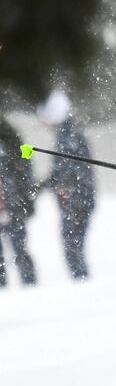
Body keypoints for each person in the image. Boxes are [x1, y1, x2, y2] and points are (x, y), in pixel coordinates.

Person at [37, 91, 96, 280]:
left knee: (72, 245)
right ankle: (81, 281)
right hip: (75, 198)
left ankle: (82, 284)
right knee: (73, 245)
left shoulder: (69, 135)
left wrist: (75, 199)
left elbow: (68, 169)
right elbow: (63, 169)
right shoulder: (68, 132)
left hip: (76, 199)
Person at [0, 117, 37, 286]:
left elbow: (25, 161)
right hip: (11, 199)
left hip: (13, 202)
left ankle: (30, 287)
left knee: (20, 248)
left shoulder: (8, 133)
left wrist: (25, 195)